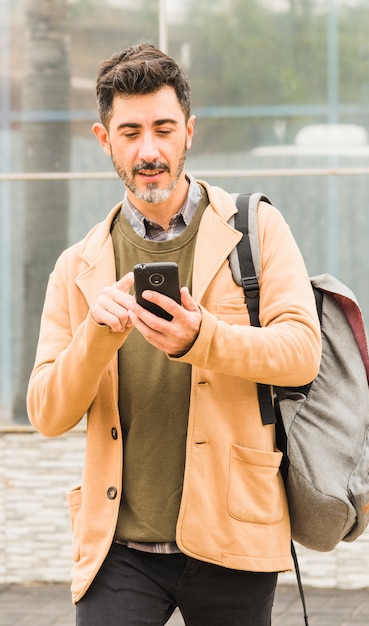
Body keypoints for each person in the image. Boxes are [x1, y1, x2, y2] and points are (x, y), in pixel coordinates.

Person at [27, 43, 321, 626]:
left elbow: (301, 354)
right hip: (118, 549)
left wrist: (201, 338)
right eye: (130, 131)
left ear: (190, 130)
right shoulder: (77, 265)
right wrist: (95, 336)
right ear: (103, 138)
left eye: (164, 128)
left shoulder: (256, 229)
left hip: (232, 535)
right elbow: (47, 413)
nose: (150, 150)